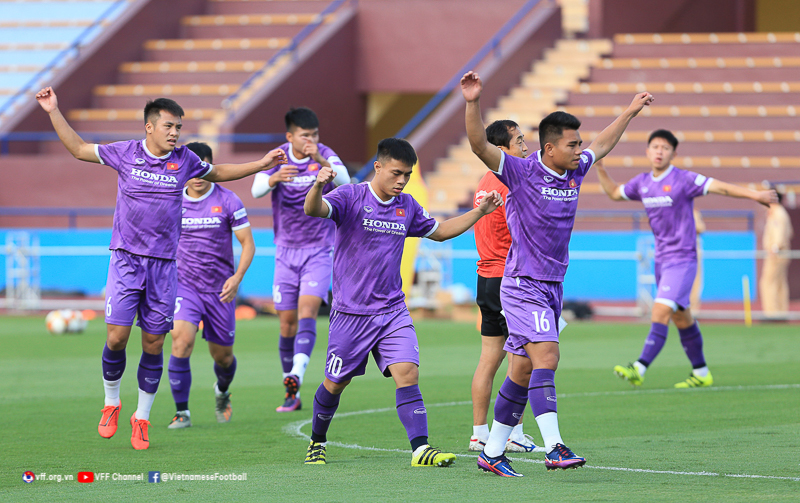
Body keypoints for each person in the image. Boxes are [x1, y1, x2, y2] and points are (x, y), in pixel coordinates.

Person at [35, 87, 286, 450]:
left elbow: (219, 171)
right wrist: (53, 110)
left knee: (154, 343)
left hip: (165, 268)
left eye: (178, 128)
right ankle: (110, 404)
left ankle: (142, 418)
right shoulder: (125, 153)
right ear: (149, 127)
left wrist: (260, 165)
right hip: (125, 260)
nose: (174, 133)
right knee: (116, 338)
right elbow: (77, 149)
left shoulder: (184, 160)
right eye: (169, 126)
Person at [462, 70, 654, 477]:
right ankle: (555, 447)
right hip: (521, 284)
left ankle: (492, 452)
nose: (580, 150)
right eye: (572, 144)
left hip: (552, 285)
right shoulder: (520, 171)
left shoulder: (575, 169)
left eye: (579, 143)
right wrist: (473, 101)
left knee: (521, 368)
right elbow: (479, 144)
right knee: (547, 354)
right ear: (549, 149)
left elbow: (602, 145)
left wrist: (630, 113)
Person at [302, 138, 503, 466]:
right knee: (335, 383)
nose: (401, 181)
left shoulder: (407, 206)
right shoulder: (350, 196)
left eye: (407, 175)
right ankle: (317, 440)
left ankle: (421, 448)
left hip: (392, 309)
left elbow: (439, 231)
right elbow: (314, 209)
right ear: (378, 167)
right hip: (351, 313)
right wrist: (317, 186)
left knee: (407, 373)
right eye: (396, 173)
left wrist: (479, 211)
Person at [595, 129, 777, 388]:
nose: (659, 151)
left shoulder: (684, 179)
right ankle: (701, 373)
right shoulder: (642, 182)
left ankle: (639, 367)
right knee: (682, 318)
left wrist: (755, 195)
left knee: (660, 311)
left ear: (673, 153)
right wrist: (600, 166)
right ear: (647, 151)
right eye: (655, 146)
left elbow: (721, 188)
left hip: (683, 259)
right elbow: (614, 192)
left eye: (665, 148)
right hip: (662, 260)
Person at [251, 107, 350, 412]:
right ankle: (290, 391)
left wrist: (321, 160)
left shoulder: (325, 154)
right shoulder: (278, 156)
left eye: (315, 135)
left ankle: (297, 373)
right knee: (286, 324)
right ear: (290, 136)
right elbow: (254, 190)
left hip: (318, 249)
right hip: (285, 252)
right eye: (305, 135)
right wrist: (273, 178)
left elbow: (346, 182)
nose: (311, 140)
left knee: (308, 310)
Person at [167, 142, 255, 429]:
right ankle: (182, 412)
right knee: (181, 341)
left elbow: (247, 244)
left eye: (202, 168)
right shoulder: (172, 200)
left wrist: (237, 277)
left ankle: (222, 391)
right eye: (192, 169)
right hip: (185, 287)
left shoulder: (229, 200)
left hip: (221, 290)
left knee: (224, 357)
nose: (197, 175)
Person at [470, 120, 539, 454]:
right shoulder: (511, 181)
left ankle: (479, 432)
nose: (525, 147)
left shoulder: (483, 183)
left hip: (485, 279)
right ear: (501, 150)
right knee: (521, 357)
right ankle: (513, 432)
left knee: (488, 360)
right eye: (519, 141)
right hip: (508, 280)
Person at [759, 192, 793, 318]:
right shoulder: (781, 213)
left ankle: (772, 313)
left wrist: (775, 248)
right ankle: (781, 312)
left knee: (768, 282)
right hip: (782, 252)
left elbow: (779, 235)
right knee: (780, 283)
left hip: (776, 254)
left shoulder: (777, 214)